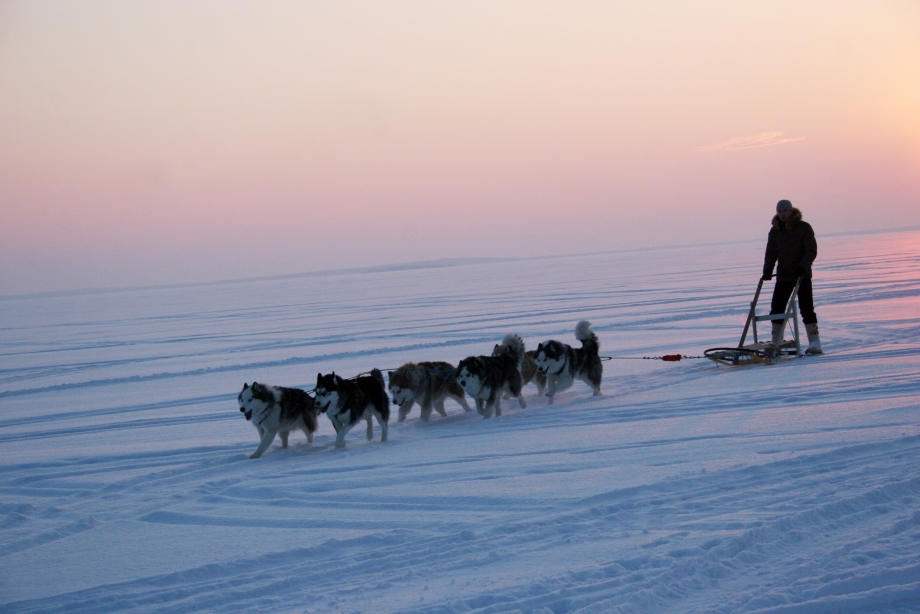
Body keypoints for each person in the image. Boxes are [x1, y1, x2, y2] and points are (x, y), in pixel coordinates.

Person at [761, 199, 822, 354]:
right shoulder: (774, 231)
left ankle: (815, 342)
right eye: (780, 211)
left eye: (785, 211)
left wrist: (803, 266)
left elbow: (811, 250)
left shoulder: (803, 228)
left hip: (802, 275)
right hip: (783, 275)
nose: (783, 214)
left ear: (791, 211)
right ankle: (776, 341)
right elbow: (771, 253)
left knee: (806, 308)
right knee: (777, 307)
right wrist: (767, 270)